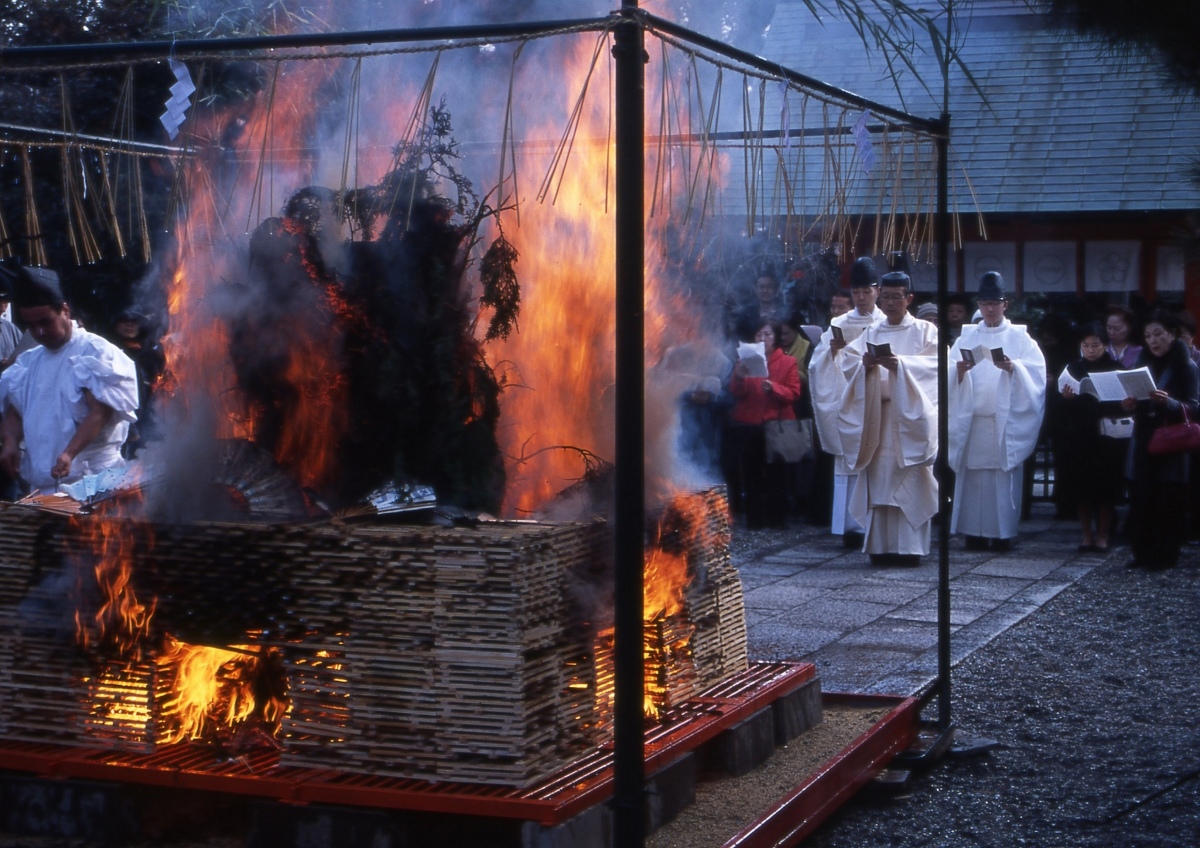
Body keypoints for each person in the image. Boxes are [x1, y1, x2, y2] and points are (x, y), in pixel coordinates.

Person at [0, 267, 139, 493]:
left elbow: (99, 412)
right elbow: (14, 411)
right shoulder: (28, 362)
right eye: (31, 326)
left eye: (45, 322)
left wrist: (69, 452)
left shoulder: (95, 352)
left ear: (65, 310)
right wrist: (10, 443)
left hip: (95, 483)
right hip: (44, 488)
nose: (40, 332)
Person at [835, 271, 939, 565]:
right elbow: (849, 361)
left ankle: (909, 549)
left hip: (910, 417)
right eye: (887, 297)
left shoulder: (925, 331)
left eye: (897, 297)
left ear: (909, 298)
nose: (891, 303)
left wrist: (900, 366)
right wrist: (866, 366)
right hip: (878, 415)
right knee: (880, 482)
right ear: (879, 295)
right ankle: (880, 547)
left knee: (910, 479)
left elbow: (936, 369)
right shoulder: (874, 331)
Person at [948, 272, 1046, 551]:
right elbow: (948, 371)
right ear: (978, 305)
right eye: (984, 303)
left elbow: (1036, 375)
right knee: (973, 478)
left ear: (1006, 304)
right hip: (973, 418)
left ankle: (1003, 534)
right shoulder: (967, 337)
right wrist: (958, 372)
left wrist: (1015, 369)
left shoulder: (1021, 338)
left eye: (995, 303)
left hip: (1004, 420)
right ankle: (973, 533)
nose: (990, 309)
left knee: (1001, 480)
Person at [810, 257, 885, 546]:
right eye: (856, 292)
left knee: (874, 465)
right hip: (846, 401)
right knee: (848, 466)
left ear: (876, 291)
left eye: (867, 291)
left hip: (874, 401)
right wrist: (832, 351)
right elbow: (817, 365)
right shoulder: (838, 324)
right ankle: (848, 528)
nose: (861, 297)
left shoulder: (883, 323)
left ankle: (872, 526)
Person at [1121, 311, 1200, 570]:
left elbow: (1194, 406)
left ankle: (1166, 555)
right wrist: (1130, 404)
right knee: (1142, 496)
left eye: (1158, 334)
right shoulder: (1141, 362)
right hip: (1145, 436)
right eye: (1147, 336)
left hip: (1172, 439)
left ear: (1172, 334)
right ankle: (1142, 552)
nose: (1153, 341)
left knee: (1168, 498)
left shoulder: (1185, 365)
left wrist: (1170, 402)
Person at [1056, 322, 1125, 552]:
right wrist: (1066, 399)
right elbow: (1058, 402)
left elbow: (1125, 403)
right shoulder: (1074, 368)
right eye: (1086, 345)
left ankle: (1103, 535)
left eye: (1096, 345)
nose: (1091, 349)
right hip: (1079, 435)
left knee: (1106, 488)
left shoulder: (1117, 367)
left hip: (1107, 435)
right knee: (1081, 487)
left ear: (1105, 345)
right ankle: (1086, 535)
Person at [727, 321, 802, 529]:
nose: (763, 339)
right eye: (759, 335)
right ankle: (755, 520)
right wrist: (740, 378)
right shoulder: (745, 360)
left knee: (777, 474)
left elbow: (794, 393)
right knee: (751, 473)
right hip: (749, 424)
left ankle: (777, 519)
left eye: (768, 335)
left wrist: (775, 389)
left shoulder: (788, 362)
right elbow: (735, 392)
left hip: (776, 425)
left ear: (776, 338)